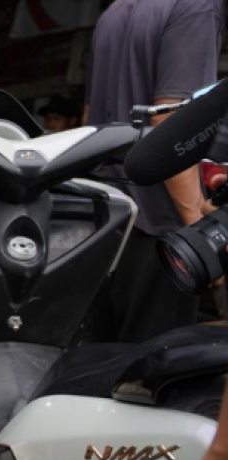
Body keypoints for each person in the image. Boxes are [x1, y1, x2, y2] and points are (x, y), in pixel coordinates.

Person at [84, 0, 221, 342]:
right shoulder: (196, 7)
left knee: (102, 370)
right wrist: (200, 231)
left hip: (104, 220)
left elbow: (89, 117)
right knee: (153, 379)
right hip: (161, 230)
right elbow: (171, 121)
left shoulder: (114, 12)